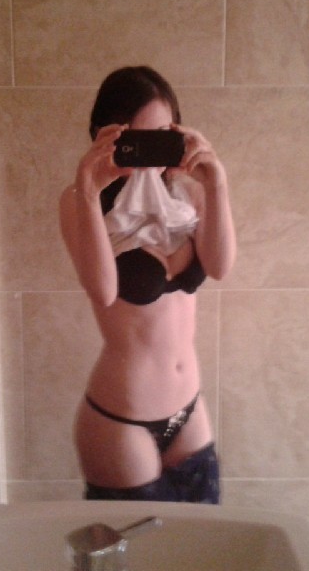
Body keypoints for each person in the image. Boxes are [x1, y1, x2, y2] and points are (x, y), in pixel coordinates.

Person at [59, 66, 236, 503]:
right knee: (139, 545)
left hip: (189, 411)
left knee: (203, 540)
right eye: (137, 139)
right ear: (106, 136)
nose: (151, 152)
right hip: (120, 422)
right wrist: (88, 188)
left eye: (163, 134)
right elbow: (103, 291)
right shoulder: (80, 201)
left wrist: (217, 184)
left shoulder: (188, 196)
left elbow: (219, 266)